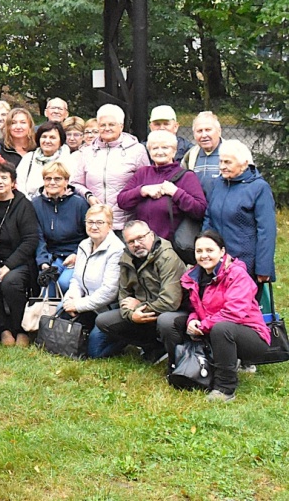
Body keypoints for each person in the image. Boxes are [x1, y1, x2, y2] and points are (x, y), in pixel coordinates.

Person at [158, 231, 274, 401]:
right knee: (167, 321)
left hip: (251, 336)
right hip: (212, 327)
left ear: (222, 252)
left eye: (209, 250)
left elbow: (234, 313)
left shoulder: (237, 275)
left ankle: (225, 388)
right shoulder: (193, 277)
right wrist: (192, 321)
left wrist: (202, 325)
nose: (204, 255)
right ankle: (179, 369)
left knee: (222, 329)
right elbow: (195, 308)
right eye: (199, 251)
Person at [90, 220, 186, 360]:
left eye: (140, 238)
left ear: (151, 235)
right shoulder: (126, 258)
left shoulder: (167, 257)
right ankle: (153, 346)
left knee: (165, 321)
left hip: (175, 312)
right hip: (145, 312)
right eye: (131, 241)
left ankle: (176, 360)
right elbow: (123, 295)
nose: (136, 244)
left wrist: (139, 307)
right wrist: (131, 314)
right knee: (103, 321)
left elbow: (170, 302)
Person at [0, 162, 39, 346]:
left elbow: (31, 240)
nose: (0, 181)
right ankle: (3, 328)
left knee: (11, 282)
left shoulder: (23, 205)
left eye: (4, 178)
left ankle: (20, 329)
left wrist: (9, 265)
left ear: (13, 182)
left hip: (19, 256)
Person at [117, 130, 207, 248]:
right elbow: (122, 201)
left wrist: (176, 193)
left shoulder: (186, 176)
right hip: (141, 246)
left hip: (171, 247)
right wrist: (142, 191)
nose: (160, 152)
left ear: (174, 151)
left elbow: (200, 210)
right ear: (149, 152)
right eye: (155, 148)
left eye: (165, 147)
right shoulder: (143, 173)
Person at [202, 139, 275, 283]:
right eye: (221, 162)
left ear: (244, 163)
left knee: (243, 305)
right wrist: (205, 251)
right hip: (218, 261)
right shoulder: (217, 184)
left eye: (228, 162)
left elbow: (266, 231)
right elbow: (208, 219)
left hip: (246, 263)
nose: (222, 166)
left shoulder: (259, 188)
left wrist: (263, 268)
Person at [69, 104, 149, 230]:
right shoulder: (87, 152)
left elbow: (145, 183)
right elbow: (75, 183)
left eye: (111, 124)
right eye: (102, 125)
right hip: (96, 223)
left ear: (121, 126)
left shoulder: (137, 150)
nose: (107, 128)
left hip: (126, 224)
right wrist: (89, 196)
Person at [59, 204, 125, 336]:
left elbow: (109, 292)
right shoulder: (84, 244)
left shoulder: (117, 249)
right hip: (88, 303)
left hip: (107, 310)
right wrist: (71, 298)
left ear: (110, 225)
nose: (94, 226)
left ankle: (123, 338)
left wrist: (78, 305)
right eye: (90, 222)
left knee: (94, 351)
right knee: (61, 310)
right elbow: (76, 280)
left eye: (100, 222)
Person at [33, 161, 90, 297]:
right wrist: (43, 262)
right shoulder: (35, 204)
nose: (52, 182)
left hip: (75, 254)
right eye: (48, 178)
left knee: (65, 283)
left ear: (66, 181)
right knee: (47, 281)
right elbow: (38, 237)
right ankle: (50, 318)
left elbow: (89, 236)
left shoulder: (79, 204)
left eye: (57, 179)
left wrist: (77, 254)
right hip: (51, 256)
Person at [16, 121, 68, 199]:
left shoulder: (67, 160)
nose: (47, 141)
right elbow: (19, 184)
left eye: (52, 137)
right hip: (28, 204)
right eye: (44, 137)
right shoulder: (28, 158)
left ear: (61, 141)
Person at [183, 111, 224, 197]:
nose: (204, 135)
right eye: (199, 131)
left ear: (219, 131)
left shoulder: (234, 152)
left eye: (208, 130)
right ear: (194, 134)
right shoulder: (190, 156)